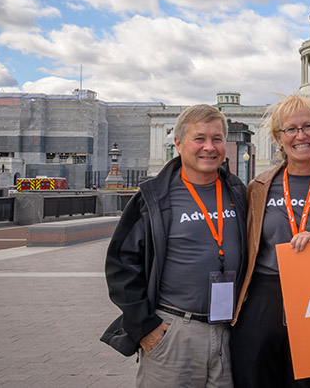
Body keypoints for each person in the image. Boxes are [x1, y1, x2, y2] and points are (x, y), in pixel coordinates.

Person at [102, 104, 247, 388]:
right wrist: (146, 328)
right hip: (174, 331)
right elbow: (121, 265)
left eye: (217, 139)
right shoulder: (154, 197)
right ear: (179, 143)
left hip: (228, 333)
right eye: (199, 138)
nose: (209, 147)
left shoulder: (238, 192)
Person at [230, 94, 310, 388]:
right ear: (279, 138)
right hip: (265, 296)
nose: (300, 135)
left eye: (309, 126)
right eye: (291, 129)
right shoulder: (258, 187)